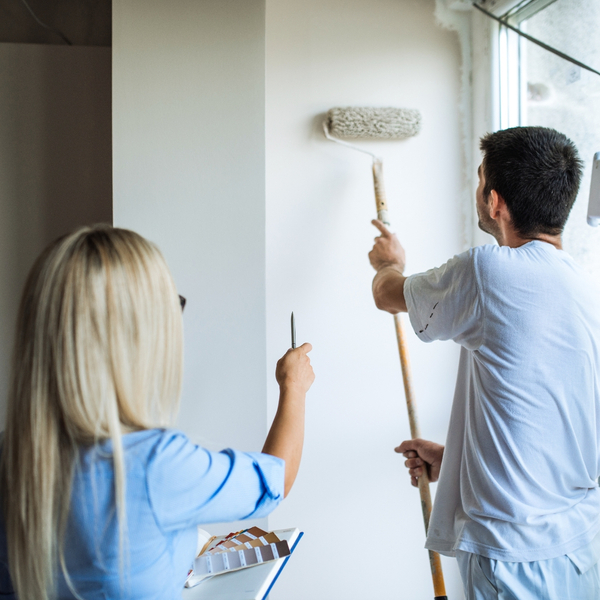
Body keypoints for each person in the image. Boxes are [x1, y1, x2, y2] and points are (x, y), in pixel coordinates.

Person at [0, 225, 314, 600]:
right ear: (138, 333)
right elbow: (276, 480)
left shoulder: (9, 454)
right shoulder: (155, 463)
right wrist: (293, 387)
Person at [368, 126, 600, 599]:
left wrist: (389, 262)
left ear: (495, 202)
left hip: (512, 559)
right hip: (581, 550)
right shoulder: (584, 288)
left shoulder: (487, 271)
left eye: (479, 181)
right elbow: (553, 425)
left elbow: (386, 296)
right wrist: (456, 464)